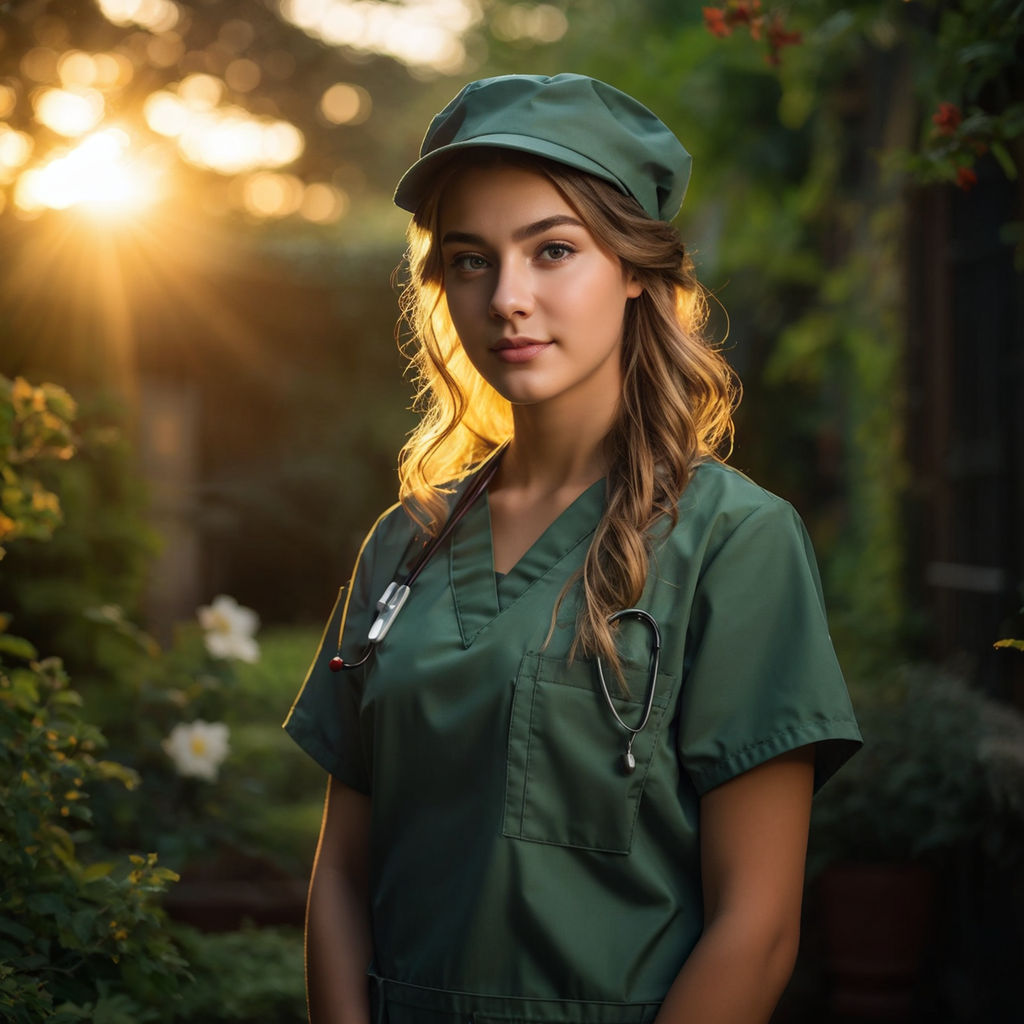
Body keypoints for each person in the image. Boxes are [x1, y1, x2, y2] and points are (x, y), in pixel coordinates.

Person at [284, 73, 862, 1024]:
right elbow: (341, 876)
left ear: (636, 266)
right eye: (470, 260)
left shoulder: (735, 543)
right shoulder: (405, 547)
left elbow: (756, 930)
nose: (508, 298)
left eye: (553, 250)